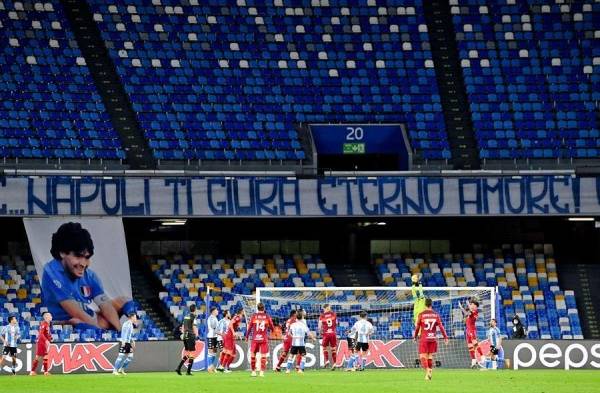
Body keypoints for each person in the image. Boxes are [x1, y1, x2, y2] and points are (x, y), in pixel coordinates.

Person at [41, 222, 135, 330]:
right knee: (77, 321)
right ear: (62, 252)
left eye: (86, 257)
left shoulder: (90, 276)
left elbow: (105, 306)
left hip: (89, 316)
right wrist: (101, 331)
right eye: (78, 256)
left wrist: (119, 333)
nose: (83, 263)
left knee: (124, 300)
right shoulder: (51, 272)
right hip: (64, 323)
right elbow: (76, 312)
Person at [413, 298, 448, 381]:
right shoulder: (436, 314)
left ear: (425, 305)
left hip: (424, 338)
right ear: (431, 305)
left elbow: (418, 327)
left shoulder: (421, 314)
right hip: (432, 338)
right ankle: (428, 375)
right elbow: (441, 327)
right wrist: (445, 337)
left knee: (422, 356)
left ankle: (428, 370)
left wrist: (415, 336)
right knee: (429, 356)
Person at [246, 303, 275, 377]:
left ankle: (253, 372)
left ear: (257, 308)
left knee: (253, 355)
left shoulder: (254, 316)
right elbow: (272, 326)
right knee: (263, 356)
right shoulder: (267, 316)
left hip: (255, 338)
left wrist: (247, 336)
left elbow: (249, 327)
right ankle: (261, 372)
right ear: (264, 308)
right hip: (263, 339)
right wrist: (272, 330)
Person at [459, 298, 484, 368]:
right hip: (467, 331)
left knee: (475, 344)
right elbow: (467, 314)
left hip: (472, 330)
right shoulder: (470, 312)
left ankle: (482, 357)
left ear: (476, 306)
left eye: (472, 304)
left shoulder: (475, 312)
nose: (471, 305)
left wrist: (467, 305)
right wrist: (461, 308)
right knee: (470, 347)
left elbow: (470, 313)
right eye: (471, 304)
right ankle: (473, 361)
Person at [218, 308, 244, 373]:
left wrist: (237, 334)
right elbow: (230, 324)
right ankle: (223, 367)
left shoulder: (237, 317)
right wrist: (233, 332)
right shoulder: (238, 317)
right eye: (243, 311)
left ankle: (224, 367)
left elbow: (233, 326)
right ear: (241, 312)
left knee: (233, 352)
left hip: (229, 335)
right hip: (229, 336)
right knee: (228, 352)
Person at [176, 305, 198, 375]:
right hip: (191, 335)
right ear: (195, 310)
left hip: (185, 336)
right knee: (192, 354)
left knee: (188, 353)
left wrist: (183, 333)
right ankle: (188, 371)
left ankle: (178, 368)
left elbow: (182, 327)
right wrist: (196, 335)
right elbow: (194, 327)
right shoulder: (193, 317)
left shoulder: (186, 316)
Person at [30, 312, 53, 376]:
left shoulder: (48, 324)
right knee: (40, 356)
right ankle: (34, 371)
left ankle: (44, 372)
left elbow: (46, 333)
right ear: (46, 317)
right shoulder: (43, 324)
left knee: (42, 356)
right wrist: (46, 341)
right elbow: (41, 334)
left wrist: (50, 337)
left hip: (43, 342)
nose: (51, 316)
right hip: (41, 342)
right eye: (50, 315)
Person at [318, 304, 338, 370]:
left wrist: (320, 331)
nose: (330, 308)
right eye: (329, 307)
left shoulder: (322, 315)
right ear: (327, 308)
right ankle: (335, 363)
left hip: (326, 333)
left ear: (324, 308)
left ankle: (327, 360)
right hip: (333, 333)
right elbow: (337, 323)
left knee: (324, 347)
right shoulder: (333, 314)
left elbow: (319, 325)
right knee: (333, 349)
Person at [206, 307, 219, 373]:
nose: (217, 311)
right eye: (216, 310)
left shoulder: (215, 318)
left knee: (214, 352)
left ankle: (212, 367)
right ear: (213, 311)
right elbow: (213, 328)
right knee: (210, 352)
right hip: (211, 336)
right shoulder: (211, 318)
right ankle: (209, 367)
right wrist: (220, 333)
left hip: (215, 336)